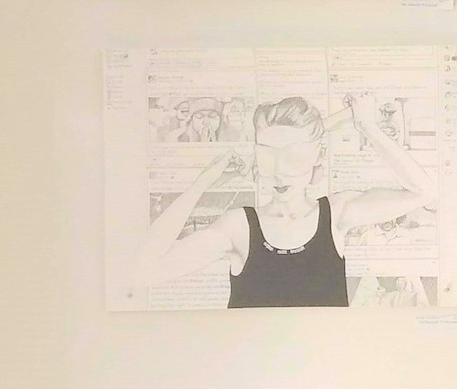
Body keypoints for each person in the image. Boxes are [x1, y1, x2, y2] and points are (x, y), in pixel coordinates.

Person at [133, 92, 438, 309]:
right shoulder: (239, 227)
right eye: (269, 156)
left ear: (317, 155)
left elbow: (422, 192)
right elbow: (143, 271)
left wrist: (368, 128)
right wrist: (202, 183)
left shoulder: (337, 214)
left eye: (293, 157)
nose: (280, 172)